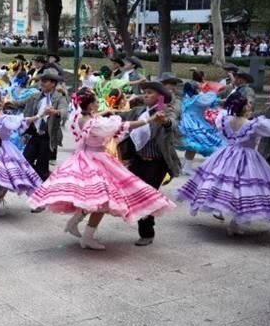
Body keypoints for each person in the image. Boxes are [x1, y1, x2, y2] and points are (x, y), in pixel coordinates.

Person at [28, 90, 175, 250]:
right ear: (90, 104)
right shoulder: (95, 124)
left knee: (93, 199)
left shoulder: (77, 116)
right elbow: (123, 125)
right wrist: (150, 119)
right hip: (95, 160)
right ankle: (87, 236)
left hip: (84, 157)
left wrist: (108, 112)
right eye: (96, 101)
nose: (98, 103)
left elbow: (98, 118)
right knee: (102, 201)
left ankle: (76, 225)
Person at [177, 94, 270, 235]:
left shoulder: (224, 119)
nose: (250, 105)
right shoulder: (253, 125)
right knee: (244, 189)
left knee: (221, 183)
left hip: (226, 154)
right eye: (248, 103)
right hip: (247, 158)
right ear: (244, 106)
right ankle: (235, 222)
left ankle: (229, 218)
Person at [119, 79, 182, 246]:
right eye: (144, 92)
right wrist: (106, 114)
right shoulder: (139, 112)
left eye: (150, 92)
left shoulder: (165, 111)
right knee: (129, 193)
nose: (146, 94)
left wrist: (165, 122)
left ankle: (147, 232)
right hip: (138, 161)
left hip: (157, 163)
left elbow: (172, 123)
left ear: (160, 97)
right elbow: (122, 117)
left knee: (146, 196)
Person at [0, 101, 45, 217]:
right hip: (5, 148)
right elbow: (25, 121)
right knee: (11, 178)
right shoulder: (6, 118)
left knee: (5, 179)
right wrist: (41, 114)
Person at [22, 72, 68, 186]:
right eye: (41, 80)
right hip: (34, 134)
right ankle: (44, 179)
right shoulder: (35, 96)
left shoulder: (59, 98)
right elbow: (21, 103)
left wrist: (55, 112)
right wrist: (9, 103)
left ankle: (42, 191)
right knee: (25, 162)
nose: (41, 83)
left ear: (53, 84)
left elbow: (65, 112)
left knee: (42, 168)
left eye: (45, 81)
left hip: (48, 137)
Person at [179, 70, 222, 176]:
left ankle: (186, 166)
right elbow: (207, 101)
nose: (200, 88)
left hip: (189, 119)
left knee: (193, 145)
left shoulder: (188, 97)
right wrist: (214, 92)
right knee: (205, 143)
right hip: (193, 121)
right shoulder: (197, 98)